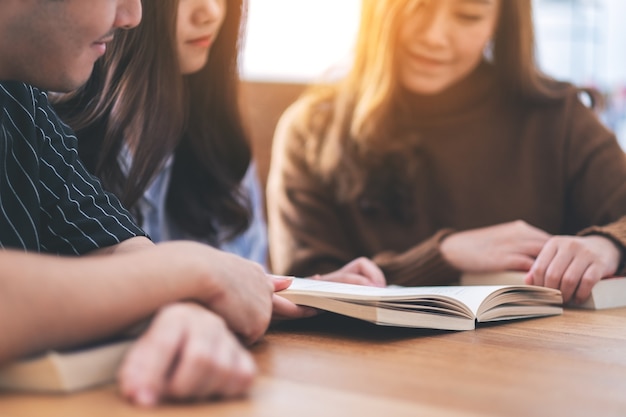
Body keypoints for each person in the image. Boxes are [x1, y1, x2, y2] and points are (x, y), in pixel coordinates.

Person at [0, 0, 298, 406]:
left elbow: (111, 241)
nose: (132, 16)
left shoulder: (19, 102)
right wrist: (189, 272)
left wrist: (178, 306)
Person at [266, 0, 626, 305]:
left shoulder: (557, 116)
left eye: (468, 15)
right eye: (418, 6)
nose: (434, 37)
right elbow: (300, 289)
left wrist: (608, 244)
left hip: (535, 370)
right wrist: (442, 257)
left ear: (501, 20)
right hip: (363, 375)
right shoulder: (311, 130)